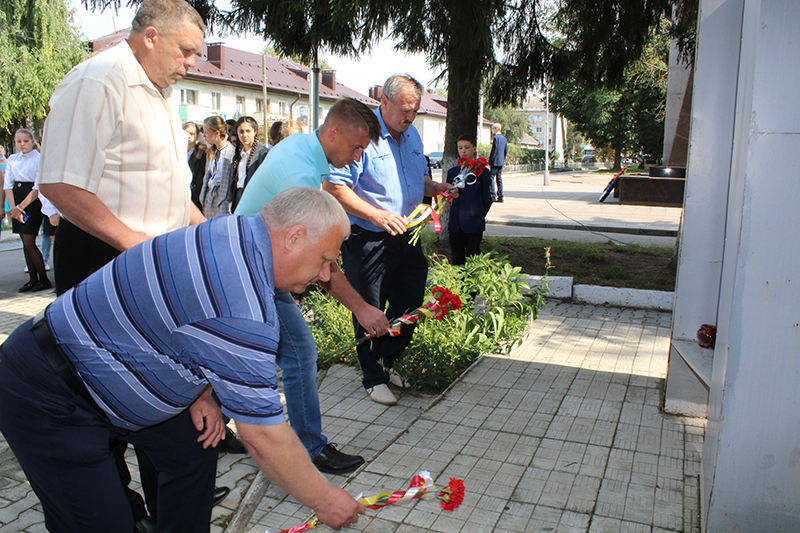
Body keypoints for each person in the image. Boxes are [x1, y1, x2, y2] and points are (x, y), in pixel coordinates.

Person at [0, 187, 366, 533]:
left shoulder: (233, 230)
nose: (325, 275)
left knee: (195, 446)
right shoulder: (244, 308)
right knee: (103, 523)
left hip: (104, 364)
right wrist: (323, 499)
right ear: (294, 237)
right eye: (325, 260)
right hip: (50, 390)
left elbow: (182, 317)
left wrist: (200, 392)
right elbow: (263, 435)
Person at [37, 1, 212, 530]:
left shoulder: (161, 93)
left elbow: (171, 191)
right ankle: (119, 510)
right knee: (102, 397)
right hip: (104, 258)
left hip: (149, 264)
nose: (192, 64)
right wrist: (134, 245)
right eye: (186, 51)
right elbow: (60, 182)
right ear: (150, 36)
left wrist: (212, 238)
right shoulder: (98, 80)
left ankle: (163, 509)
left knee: (163, 392)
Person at [235, 97, 388, 473]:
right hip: (251, 270)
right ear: (333, 133)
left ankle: (218, 426)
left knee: (243, 352)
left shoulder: (303, 146)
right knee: (300, 352)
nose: (357, 157)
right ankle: (309, 448)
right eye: (356, 147)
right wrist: (362, 309)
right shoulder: (300, 176)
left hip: (256, 262)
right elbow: (322, 264)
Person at [323, 75, 456, 406]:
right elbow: (335, 187)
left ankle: (386, 360)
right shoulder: (363, 134)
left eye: (415, 110)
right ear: (384, 101)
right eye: (404, 109)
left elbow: (414, 177)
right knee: (369, 305)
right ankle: (372, 377)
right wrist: (375, 215)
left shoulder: (412, 135)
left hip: (406, 233)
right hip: (368, 236)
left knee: (410, 301)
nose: (409, 117)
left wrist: (434, 188)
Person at [4, 129, 51, 292]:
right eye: (19, 141)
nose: (22, 144)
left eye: (25, 141)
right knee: (24, 242)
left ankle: (43, 279)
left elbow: (37, 187)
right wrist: (13, 207)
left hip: (31, 201)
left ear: (32, 141)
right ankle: (32, 279)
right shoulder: (12, 159)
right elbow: (7, 184)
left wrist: (21, 207)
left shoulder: (39, 158)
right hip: (16, 199)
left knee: (29, 241)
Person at [446, 134, 493, 265]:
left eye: (467, 147)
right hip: (456, 222)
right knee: (456, 257)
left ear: (474, 148)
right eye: (460, 148)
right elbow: (448, 195)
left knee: (473, 257)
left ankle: (473, 279)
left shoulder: (482, 172)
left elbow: (487, 198)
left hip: (474, 222)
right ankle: (458, 279)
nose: (463, 151)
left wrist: (478, 214)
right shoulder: (452, 172)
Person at [199, 115, 236, 217]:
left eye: (206, 132)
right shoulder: (211, 152)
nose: (204, 135)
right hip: (209, 199)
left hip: (224, 201)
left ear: (217, 133)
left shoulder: (232, 152)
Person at [230, 116, 269, 212]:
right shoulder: (239, 154)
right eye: (241, 131)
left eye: (248, 131)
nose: (244, 135)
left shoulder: (263, 153)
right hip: (239, 197)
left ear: (255, 132)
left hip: (254, 201)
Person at [184, 121, 207, 211]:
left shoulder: (201, 153)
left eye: (191, 133)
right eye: (185, 133)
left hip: (193, 198)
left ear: (197, 135)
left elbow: (200, 179)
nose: (188, 136)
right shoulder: (177, 152)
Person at [488, 122, 508, 202]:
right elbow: (506, 150)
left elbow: (494, 151)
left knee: (491, 177)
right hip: (501, 161)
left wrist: (490, 161)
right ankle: (501, 196)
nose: (492, 130)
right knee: (499, 178)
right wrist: (502, 159)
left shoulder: (496, 138)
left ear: (497, 129)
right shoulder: (504, 139)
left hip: (495, 161)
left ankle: (493, 195)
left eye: (493, 128)